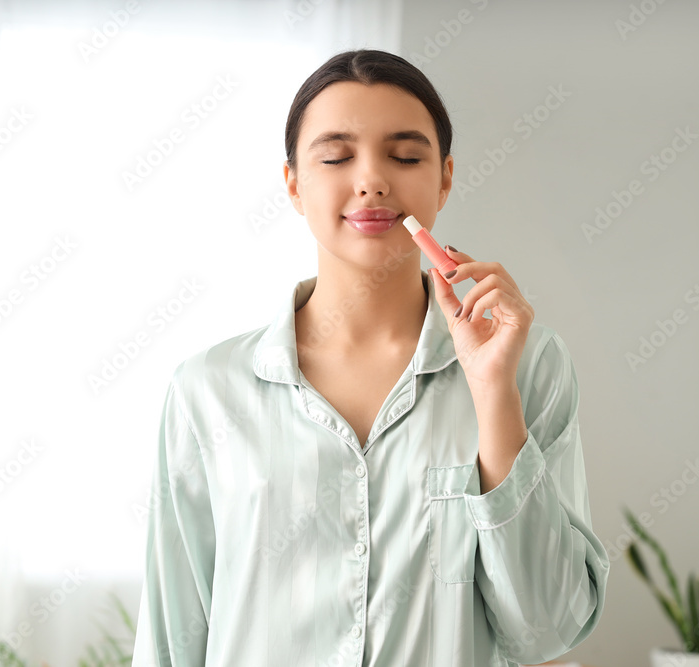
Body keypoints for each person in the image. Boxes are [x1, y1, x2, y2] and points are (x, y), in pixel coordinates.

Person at [131, 48, 609, 667]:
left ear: (444, 177)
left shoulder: (529, 364)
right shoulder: (208, 389)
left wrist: (494, 396)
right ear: (294, 184)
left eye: (406, 157)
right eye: (336, 156)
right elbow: (173, 637)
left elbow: (547, 630)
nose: (373, 180)